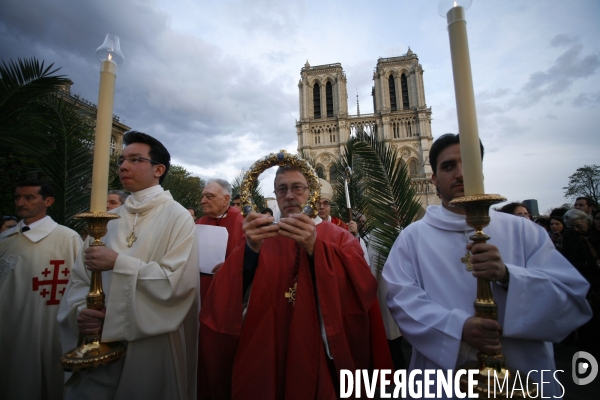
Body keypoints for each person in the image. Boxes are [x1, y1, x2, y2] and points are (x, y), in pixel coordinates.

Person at [383, 133, 592, 397]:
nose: (460, 174)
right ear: (433, 178)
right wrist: (458, 328)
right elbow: (401, 301)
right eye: (448, 166)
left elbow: (571, 301)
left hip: (523, 378)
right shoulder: (412, 238)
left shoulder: (524, 232)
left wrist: (509, 277)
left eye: (468, 163)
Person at [200, 166, 392, 399]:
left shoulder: (338, 235)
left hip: (320, 349)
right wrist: (250, 253)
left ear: (310, 191)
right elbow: (227, 296)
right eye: (282, 189)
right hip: (269, 347)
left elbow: (362, 287)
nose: (289, 195)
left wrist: (316, 249)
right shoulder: (259, 236)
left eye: (297, 188)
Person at [58, 131, 200, 400]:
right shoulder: (107, 219)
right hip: (99, 335)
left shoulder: (178, 217)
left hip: (150, 342)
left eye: (135, 159)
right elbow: (79, 278)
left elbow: (178, 283)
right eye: (121, 160)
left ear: (159, 169)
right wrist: (81, 311)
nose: (123, 166)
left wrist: (118, 263)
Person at [0, 180, 82, 400]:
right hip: (8, 326)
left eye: (29, 197)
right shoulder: (5, 239)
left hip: (46, 323)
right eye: (18, 197)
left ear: (48, 201)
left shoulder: (67, 238)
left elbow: (81, 283)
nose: (21, 202)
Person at [196, 178, 245, 399]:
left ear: (226, 199)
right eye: (203, 196)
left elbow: (250, 259)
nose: (203, 200)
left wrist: (232, 265)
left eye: (210, 196)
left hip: (227, 298)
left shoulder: (241, 222)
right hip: (197, 293)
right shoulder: (198, 223)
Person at [563, 208, 600, 357]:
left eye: (578, 225)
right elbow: (569, 261)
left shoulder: (592, 237)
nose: (576, 229)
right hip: (588, 284)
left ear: (587, 221)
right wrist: (589, 264)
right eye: (572, 227)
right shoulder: (573, 238)